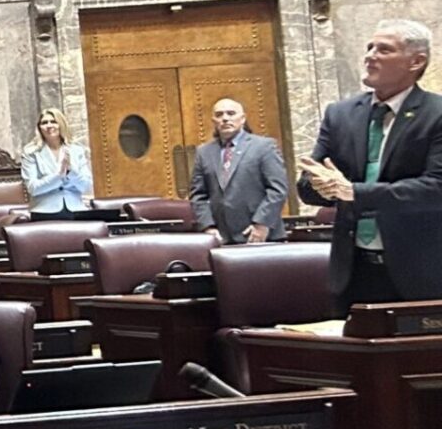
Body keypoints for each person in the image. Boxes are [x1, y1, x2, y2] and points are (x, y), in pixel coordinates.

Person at [299, 19, 442, 308]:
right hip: (354, 272)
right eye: (369, 47)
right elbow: (309, 185)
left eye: (384, 50)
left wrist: (354, 192)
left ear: (416, 61)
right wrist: (321, 186)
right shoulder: (340, 114)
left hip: (423, 272)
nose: (369, 56)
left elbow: (436, 188)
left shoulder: (436, 114)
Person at [189, 97, 287, 243]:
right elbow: (198, 195)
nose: (225, 119)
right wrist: (208, 227)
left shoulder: (264, 147)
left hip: (261, 235)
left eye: (231, 113)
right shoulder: (204, 152)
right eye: (219, 115)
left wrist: (262, 224)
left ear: (242, 118)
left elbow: (278, 190)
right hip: (221, 237)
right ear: (213, 121)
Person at [19, 108, 94, 215]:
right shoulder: (31, 152)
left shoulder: (76, 150)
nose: (49, 126)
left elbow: (86, 186)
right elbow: (33, 188)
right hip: (44, 210)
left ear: (61, 124)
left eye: (53, 121)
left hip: (76, 209)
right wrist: (58, 176)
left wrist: (71, 172)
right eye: (44, 123)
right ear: (39, 128)